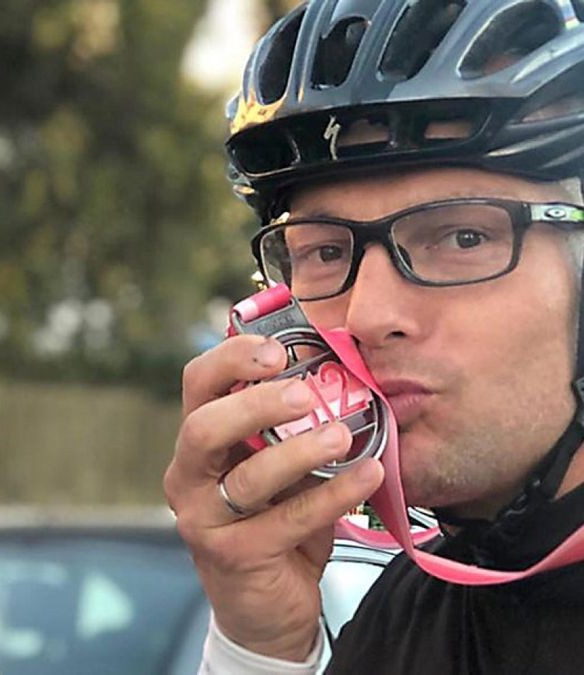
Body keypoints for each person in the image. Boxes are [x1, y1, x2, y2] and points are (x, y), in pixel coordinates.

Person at [164, 1, 584, 673]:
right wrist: (260, 648)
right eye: (327, 252)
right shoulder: (401, 612)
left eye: (462, 236)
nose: (364, 314)